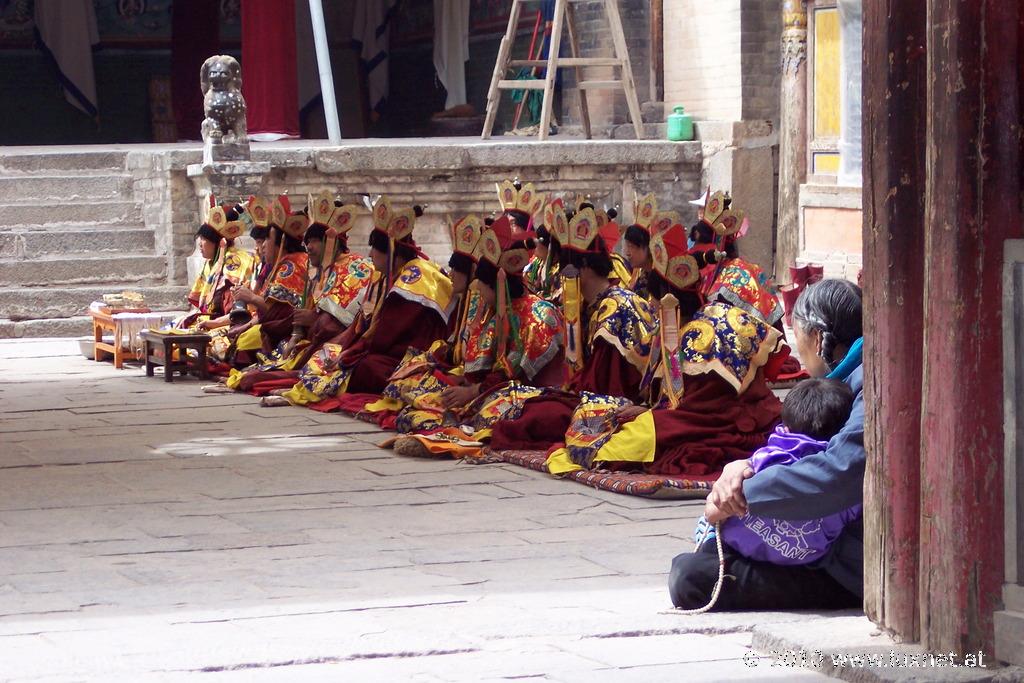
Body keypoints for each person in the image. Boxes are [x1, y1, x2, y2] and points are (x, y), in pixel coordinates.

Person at [669, 278, 864, 611]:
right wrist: (741, 468)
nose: (803, 361)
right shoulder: (846, 381)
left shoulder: (868, 381)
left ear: (817, 340)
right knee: (700, 564)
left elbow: (841, 471)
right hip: (831, 541)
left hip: (849, 561)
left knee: (692, 577)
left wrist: (741, 494)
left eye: (799, 343)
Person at [542, 218, 785, 477]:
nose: (655, 311)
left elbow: (697, 406)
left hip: (712, 420)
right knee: (613, 419)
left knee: (631, 436)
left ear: (669, 303)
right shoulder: (680, 328)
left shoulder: (698, 335)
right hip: (692, 414)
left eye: (656, 303)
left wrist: (651, 412)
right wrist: (649, 408)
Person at [488, 202, 658, 451]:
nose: (563, 275)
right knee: (525, 404)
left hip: (619, 400)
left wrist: (569, 395)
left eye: (569, 268)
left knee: (534, 417)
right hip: (593, 393)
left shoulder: (614, 308)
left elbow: (606, 384)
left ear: (586, 268)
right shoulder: (592, 303)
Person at [377, 214, 564, 439]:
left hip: (530, 392)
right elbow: (485, 363)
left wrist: (471, 391)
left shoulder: (538, 315)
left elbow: (514, 373)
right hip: (493, 388)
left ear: (497, 286)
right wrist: (466, 382)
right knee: (420, 404)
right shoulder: (497, 309)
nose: (479, 294)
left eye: (482, 286)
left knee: (487, 417)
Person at [266, 197, 455, 408]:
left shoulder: (415, 276)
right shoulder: (383, 277)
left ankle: (311, 391)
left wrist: (350, 352)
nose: (370, 254)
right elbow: (362, 326)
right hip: (372, 348)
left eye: (375, 248)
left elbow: (386, 335)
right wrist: (347, 348)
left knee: (365, 366)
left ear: (391, 251)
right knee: (333, 356)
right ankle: (303, 388)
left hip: (408, 356)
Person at [693, 377, 859, 566]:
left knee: (706, 527)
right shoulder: (848, 479)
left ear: (785, 430)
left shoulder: (765, 460)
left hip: (735, 551)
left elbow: (713, 511)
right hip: (801, 563)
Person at [222, 193, 374, 394]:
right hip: (312, 340)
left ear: (330, 242)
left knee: (263, 374)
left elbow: (341, 325)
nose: (308, 247)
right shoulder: (318, 270)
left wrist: (314, 320)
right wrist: (297, 334)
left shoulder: (355, 269)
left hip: (340, 343)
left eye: (314, 241)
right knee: (259, 370)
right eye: (307, 241)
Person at [227, 200, 310, 363]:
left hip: (292, 334)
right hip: (273, 329)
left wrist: (251, 298)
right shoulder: (281, 264)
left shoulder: (291, 266)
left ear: (282, 242)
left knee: (243, 343)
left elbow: (282, 315)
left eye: (267, 240)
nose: (262, 246)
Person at [173, 200, 254, 331]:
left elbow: (233, 308)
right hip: (209, 319)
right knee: (173, 327)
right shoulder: (211, 263)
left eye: (204, 239)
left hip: (229, 322)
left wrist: (214, 322)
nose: (200, 244)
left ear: (219, 243)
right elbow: (200, 305)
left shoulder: (234, 261)